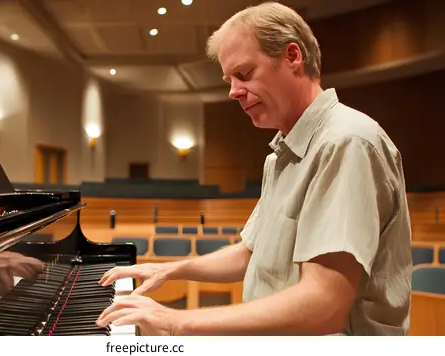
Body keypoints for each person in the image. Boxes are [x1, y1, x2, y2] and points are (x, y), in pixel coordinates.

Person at [96, 1, 412, 336]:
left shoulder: (346, 142)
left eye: (244, 74)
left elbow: (325, 305)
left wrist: (175, 321)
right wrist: (171, 269)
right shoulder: (280, 156)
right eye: (229, 78)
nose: (233, 91)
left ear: (293, 57)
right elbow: (251, 254)